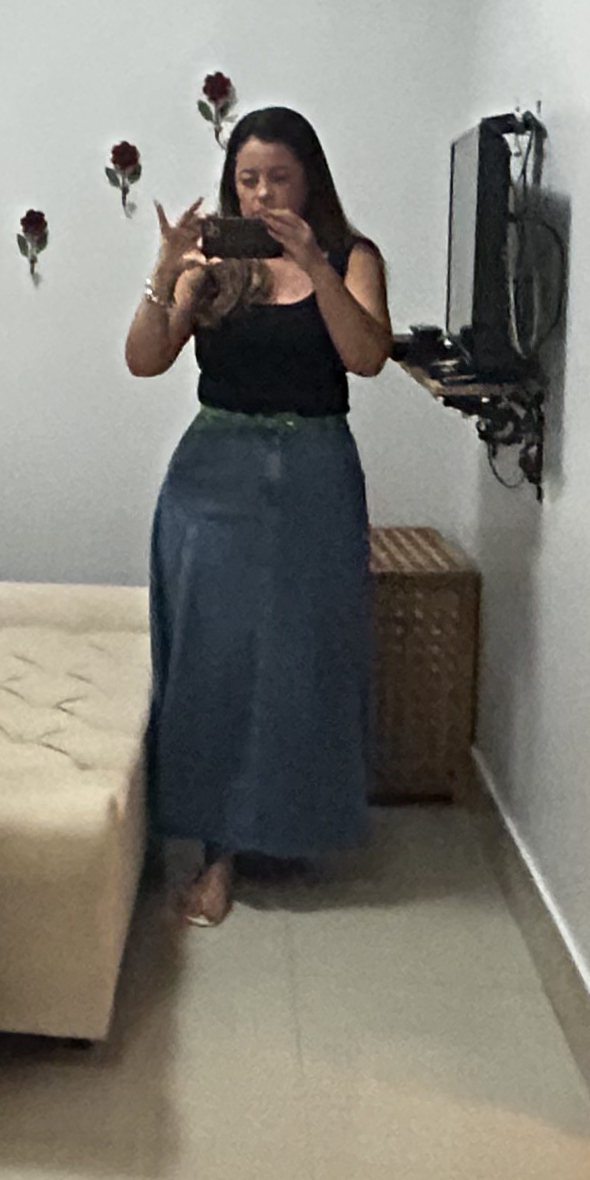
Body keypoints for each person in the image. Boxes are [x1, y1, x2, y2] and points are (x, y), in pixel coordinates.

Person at [125, 105, 393, 926]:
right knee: (214, 660)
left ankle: (290, 823)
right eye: (248, 179)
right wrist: (165, 271)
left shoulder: (351, 257)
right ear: (231, 185)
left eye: (279, 177)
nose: (264, 193)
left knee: (308, 656)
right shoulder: (215, 267)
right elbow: (144, 359)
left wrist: (314, 265)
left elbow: (366, 357)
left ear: (309, 180)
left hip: (315, 476)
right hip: (214, 479)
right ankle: (218, 852)